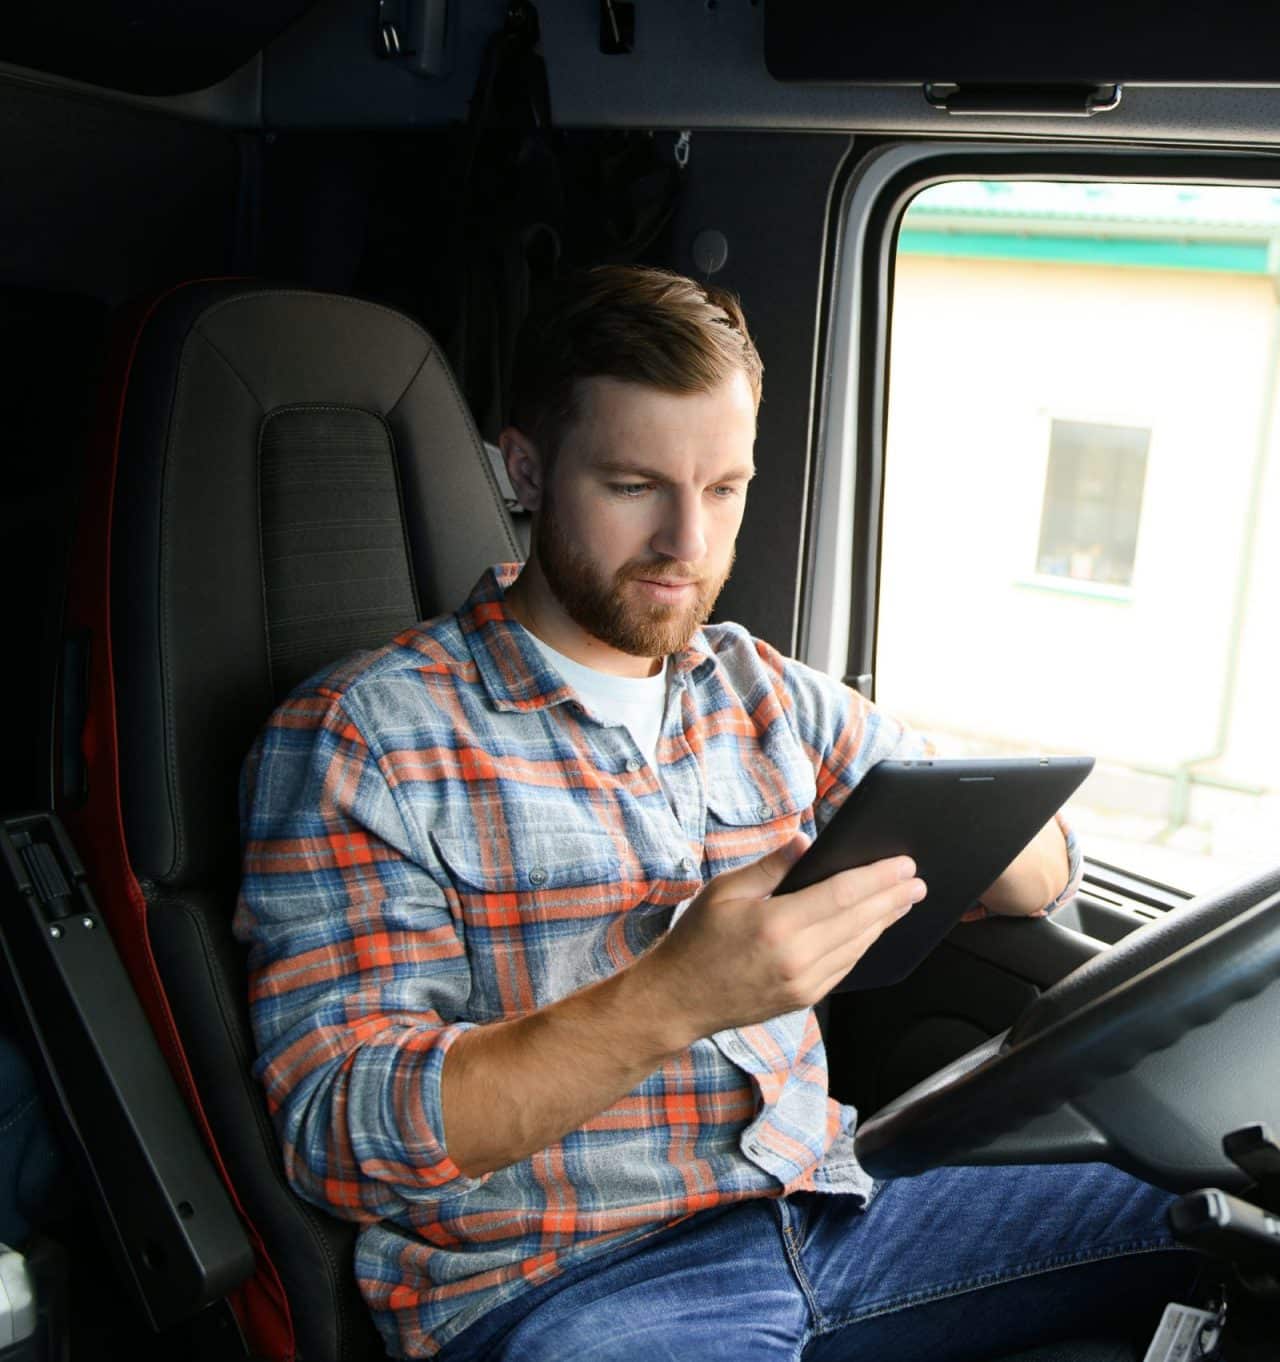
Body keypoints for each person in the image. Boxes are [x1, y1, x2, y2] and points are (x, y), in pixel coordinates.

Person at [233, 266, 1194, 1362]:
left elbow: (1039, 871)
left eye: (724, 488)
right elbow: (341, 1137)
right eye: (635, 485)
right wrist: (675, 996)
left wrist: (1003, 840)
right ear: (526, 469)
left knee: (1243, 1202)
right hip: (571, 1288)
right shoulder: (368, 737)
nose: (687, 542)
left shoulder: (760, 689)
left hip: (834, 1212)